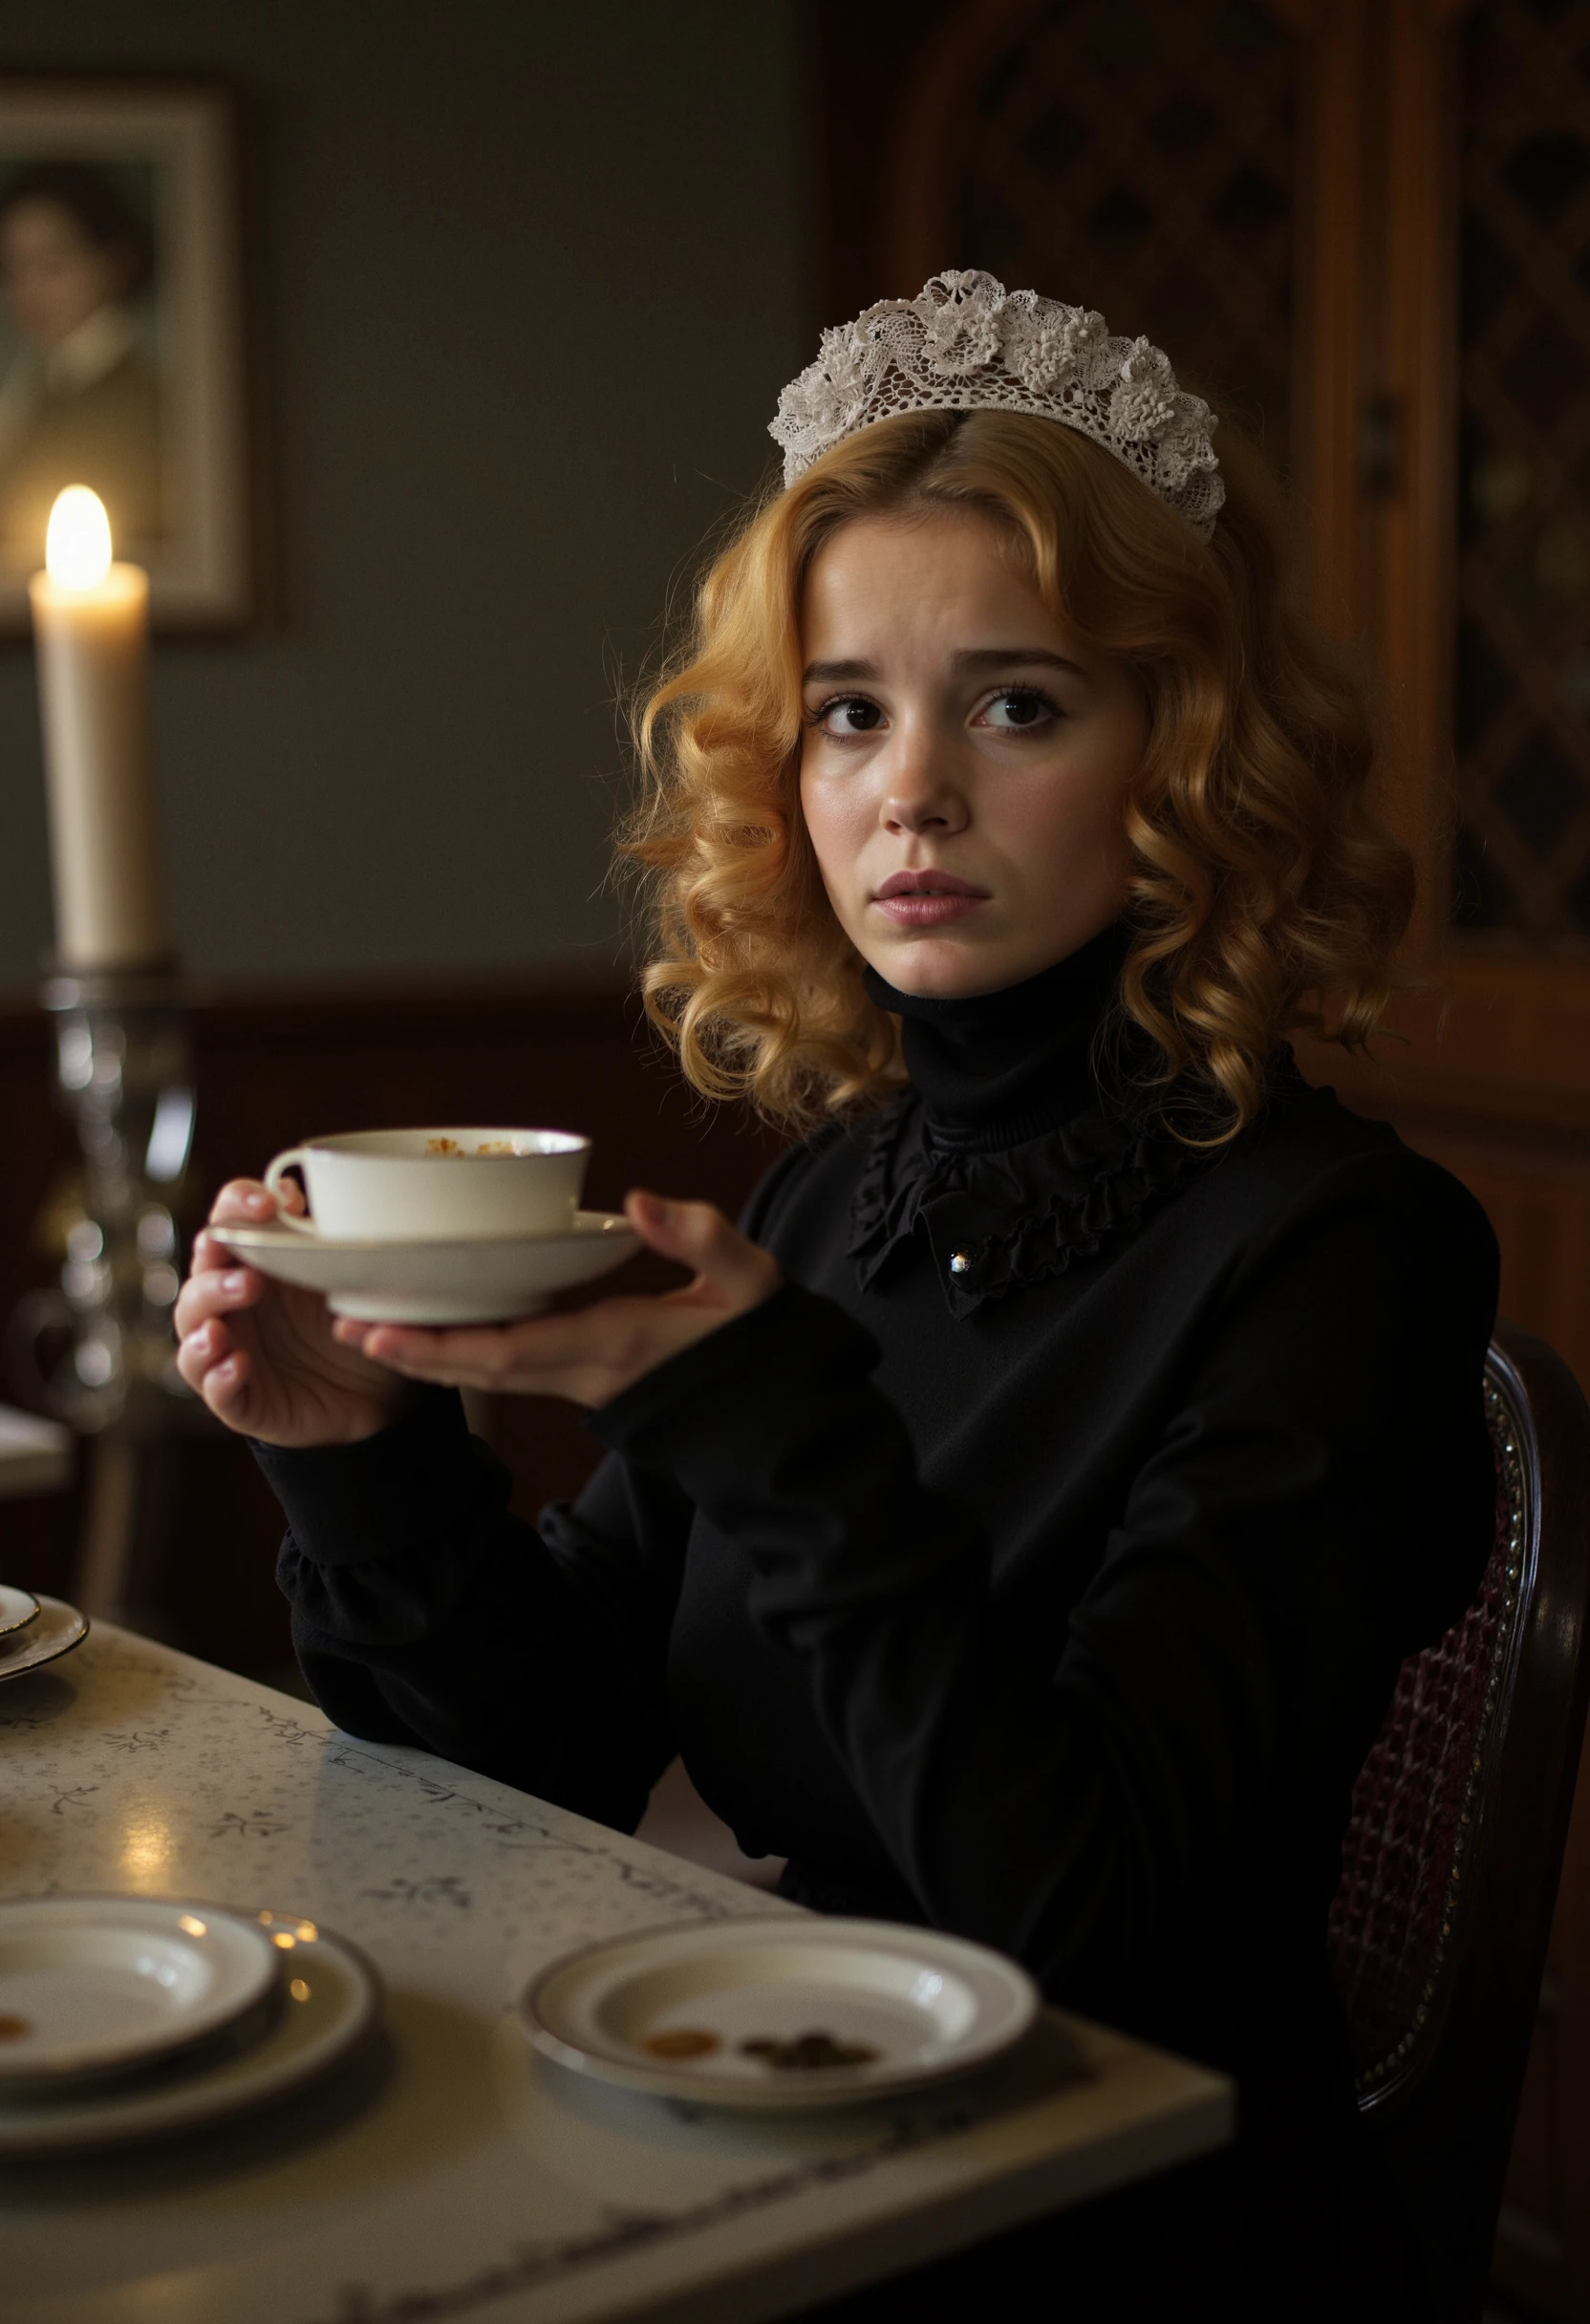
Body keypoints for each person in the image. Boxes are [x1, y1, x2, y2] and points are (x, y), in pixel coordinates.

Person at [176, 271, 1497, 2319]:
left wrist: (763, 1419)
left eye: (1019, 702)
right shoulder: (835, 1190)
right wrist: (365, 1459)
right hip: (762, 2140)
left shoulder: (1344, 1251)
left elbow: (1108, 1927)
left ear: (1186, 748)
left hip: (1121, 2233)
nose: (913, 793)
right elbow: (547, 1755)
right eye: (850, 711)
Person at [0, 160, 161, 569]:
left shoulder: (139, 398)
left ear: (115, 263)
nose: (29, 289)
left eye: (53, 265)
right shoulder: (37, 384)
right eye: (14, 270)